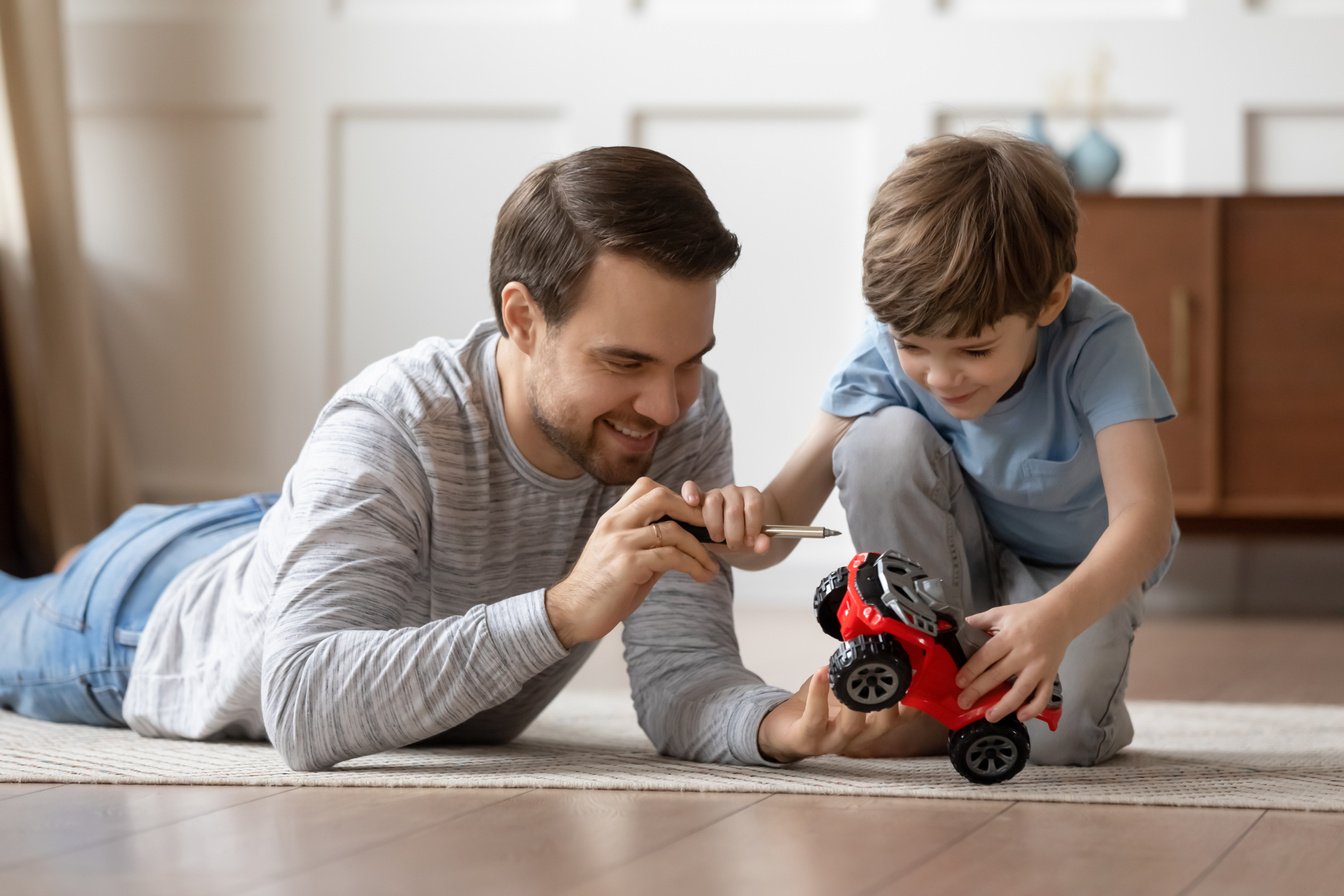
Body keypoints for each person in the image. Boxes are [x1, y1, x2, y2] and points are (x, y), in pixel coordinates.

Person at [0, 146, 897, 771]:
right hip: (136, 626)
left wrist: (777, 725)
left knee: (293, 537)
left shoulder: (671, 416)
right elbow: (305, 704)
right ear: (521, 318)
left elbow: (680, 676)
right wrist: (560, 612)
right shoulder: (390, 423)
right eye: (625, 362)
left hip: (294, 537)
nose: (665, 406)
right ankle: (98, 562)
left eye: (689, 361)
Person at [687, 131, 1178, 766]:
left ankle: (1068, 709)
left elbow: (1146, 521)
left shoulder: (1098, 341)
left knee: (1057, 743)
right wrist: (730, 527)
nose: (942, 377)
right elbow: (781, 522)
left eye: (975, 351)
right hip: (948, 566)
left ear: (1050, 300)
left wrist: (1055, 619)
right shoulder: (879, 353)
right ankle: (929, 690)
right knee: (877, 441)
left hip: (1069, 580)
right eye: (913, 346)